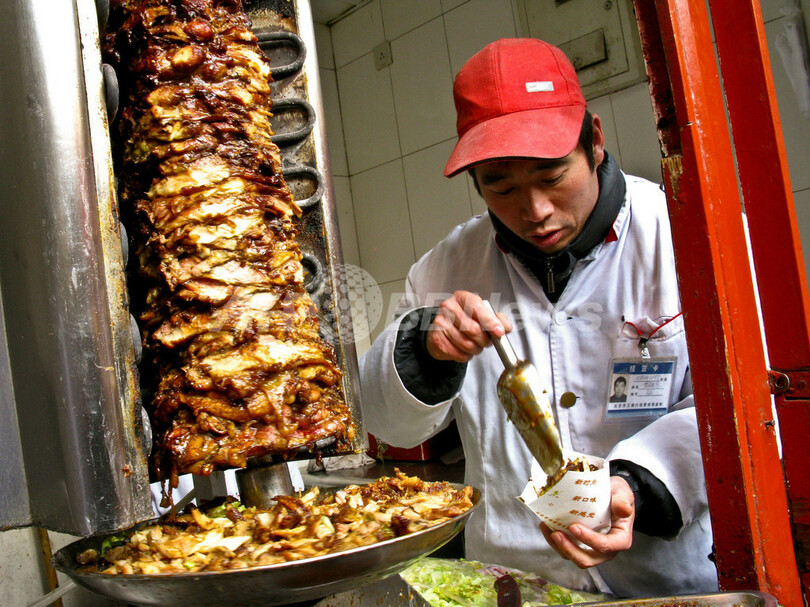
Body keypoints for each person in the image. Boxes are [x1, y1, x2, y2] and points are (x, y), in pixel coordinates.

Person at [358, 38, 717, 597]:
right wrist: (426, 351)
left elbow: (739, 408)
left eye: (552, 177)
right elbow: (389, 424)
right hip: (514, 578)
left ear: (595, 141)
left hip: (658, 581)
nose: (536, 211)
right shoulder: (444, 268)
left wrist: (637, 484)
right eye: (501, 186)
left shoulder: (684, 236)